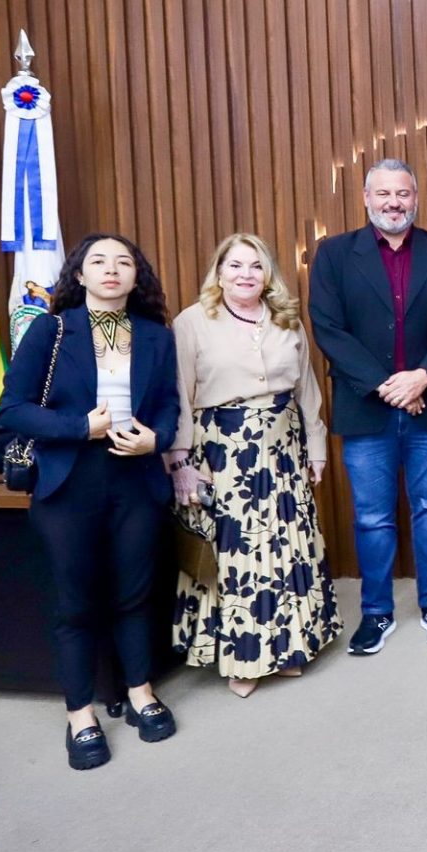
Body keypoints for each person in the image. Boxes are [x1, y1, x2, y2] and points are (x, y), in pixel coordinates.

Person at [0, 234, 181, 770]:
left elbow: (169, 403)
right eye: (98, 261)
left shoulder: (155, 336)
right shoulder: (50, 330)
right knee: (76, 603)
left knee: (134, 594)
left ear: (135, 277)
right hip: (68, 481)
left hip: (136, 479)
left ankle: (141, 692)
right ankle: (80, 715)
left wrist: (158, 438)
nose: (111, 270)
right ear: (78, 275)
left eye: (123, 262)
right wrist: (79, 427)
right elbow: (12, 408)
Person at [166, 233, 341, 697]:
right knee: (239, 554)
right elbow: (178, 395)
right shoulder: (192, 322)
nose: (246, 274)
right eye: (236, 266)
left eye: (256, 266)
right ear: (219, 272)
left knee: (285, 546)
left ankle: (285, 646)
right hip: (223, 457)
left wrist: (316, 449)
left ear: (269, 275)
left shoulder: (286, 320)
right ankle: (244, 658)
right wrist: (179, 461)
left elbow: (307, 390)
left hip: (284, 453)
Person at [309, 158, 427, 654]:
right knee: (372, 517)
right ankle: (376, 613)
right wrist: (387, 385)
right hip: (365, 407)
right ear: (366, 198)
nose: (393, 203)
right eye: (383, 194)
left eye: (402, 194)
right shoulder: (334, 254)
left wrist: (422, 377)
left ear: (415, 199)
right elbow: (328, 328)